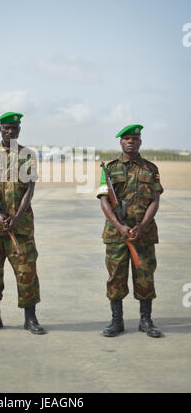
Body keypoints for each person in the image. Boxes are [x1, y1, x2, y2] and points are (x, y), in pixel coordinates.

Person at [0, 112, 46, 335]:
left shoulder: (28, 156)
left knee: (27, 271)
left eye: (14, 128)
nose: (10, 131)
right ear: (0, 130)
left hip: (21, 227)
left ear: (19, 130)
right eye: (6, 127)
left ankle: (30, 319)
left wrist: (17, 217)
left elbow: (30, 190)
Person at [97, 124, 163, 338]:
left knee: (145, 276)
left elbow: (155, 200)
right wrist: (120, 226)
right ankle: (117, 321)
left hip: (144, 234)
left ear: (140, 142)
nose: (130, 142)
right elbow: (104, 201)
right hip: (117, 234)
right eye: (126, 139)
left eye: (134, 139)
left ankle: (146, 320)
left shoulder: (151, 169)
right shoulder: (109, 169)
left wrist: (142, 225)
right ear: (121, 142)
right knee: (116, 277)